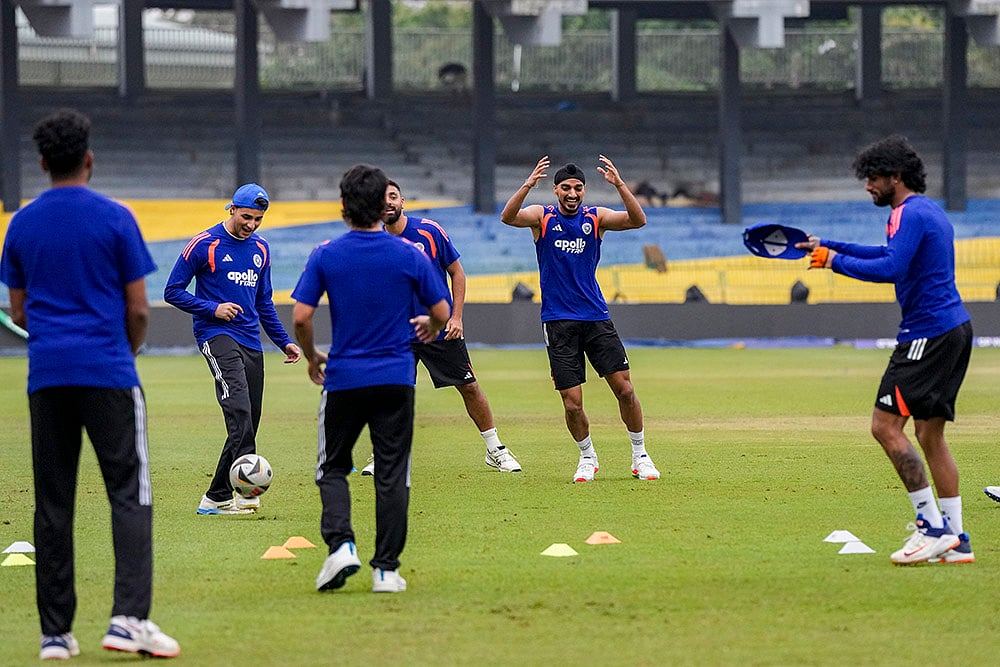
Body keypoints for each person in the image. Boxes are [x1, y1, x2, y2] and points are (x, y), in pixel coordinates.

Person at [0, 108, 179, 659]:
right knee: (129, 494)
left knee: (53, 502)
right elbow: (140, 309)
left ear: (42, 161)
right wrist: (123, 352)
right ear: (89, 158)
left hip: (47, 377)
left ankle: (56, 634)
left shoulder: (22, 223)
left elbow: (19, 310)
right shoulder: (116, 218)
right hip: (108, 371)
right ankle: (128, 621)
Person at [797, 134, 973, 565]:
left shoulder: (906, 214)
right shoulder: (925, 211)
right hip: (954, 329)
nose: (867, 186)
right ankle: (955, 539)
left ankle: (930, 528)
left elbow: (891, 267)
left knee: (884, 427)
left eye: (872, 178)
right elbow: (886, 253)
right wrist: (832, 246)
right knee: (930, 435)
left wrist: (830, 262)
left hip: (925, 335)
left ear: (895, 176)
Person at [291, 164, 450, 594]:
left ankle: (341, 546)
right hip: (397, 377)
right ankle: (386, 571)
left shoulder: (326, 254)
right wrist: (431, 329)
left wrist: (311, 357)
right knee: (392, 473)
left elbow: (302, 317)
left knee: (333, 467)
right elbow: (441, 312)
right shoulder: (409, 255)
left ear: (342, 206)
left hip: (344, 377)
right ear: (385, 205)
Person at [500, 155, 660, 483]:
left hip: (595, 316)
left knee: (625, 389)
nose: (572, 193)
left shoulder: (595, 218)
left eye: (578, 188)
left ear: (584, 191)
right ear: (556, 190)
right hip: (558, 321)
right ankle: (587, 457)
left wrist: (618, 185)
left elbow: (638, 220)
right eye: (566, 188)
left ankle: (640, 454)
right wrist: (528, 185)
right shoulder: (541, 218)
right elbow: (508, 216)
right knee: (572, 404)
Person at [359, 180, 520, 476]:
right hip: (396, 333)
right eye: (382, 199)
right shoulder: (370, 241)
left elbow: (457, 272)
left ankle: (496, 449)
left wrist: (456, 317)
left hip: (438, 326)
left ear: (403, 201)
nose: (389, 203)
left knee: (469, 386)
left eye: (393, 196)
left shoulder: (429, 231)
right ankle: (382, 453)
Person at [164, 183, 301, 515]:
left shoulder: (261, 250)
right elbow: (172, 291)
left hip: (251, 341)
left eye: (258, 219)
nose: (251, 224)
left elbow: (264, 303)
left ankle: (216, 497)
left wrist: (284, 341)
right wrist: (213, 309)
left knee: (248, 423)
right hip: (216, 336)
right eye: (246, 217)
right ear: (231, 210)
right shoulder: (204, 244)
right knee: (239, 411)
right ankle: (246, 493)